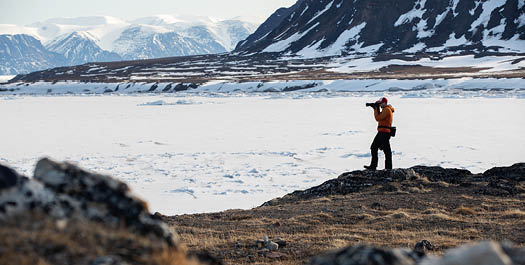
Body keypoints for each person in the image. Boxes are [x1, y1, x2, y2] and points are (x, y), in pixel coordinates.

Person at [364, 97, 395, 170]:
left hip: (384, 133)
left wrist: (375, 109)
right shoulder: (385, 109)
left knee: (386, 150)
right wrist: (376, 108)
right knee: (375, 147)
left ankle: (387, 168)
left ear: (384, 103)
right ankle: (374, 166)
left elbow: (378, 118)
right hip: (382, 132)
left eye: (380, 103)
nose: (380, 105)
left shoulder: (387, 109)